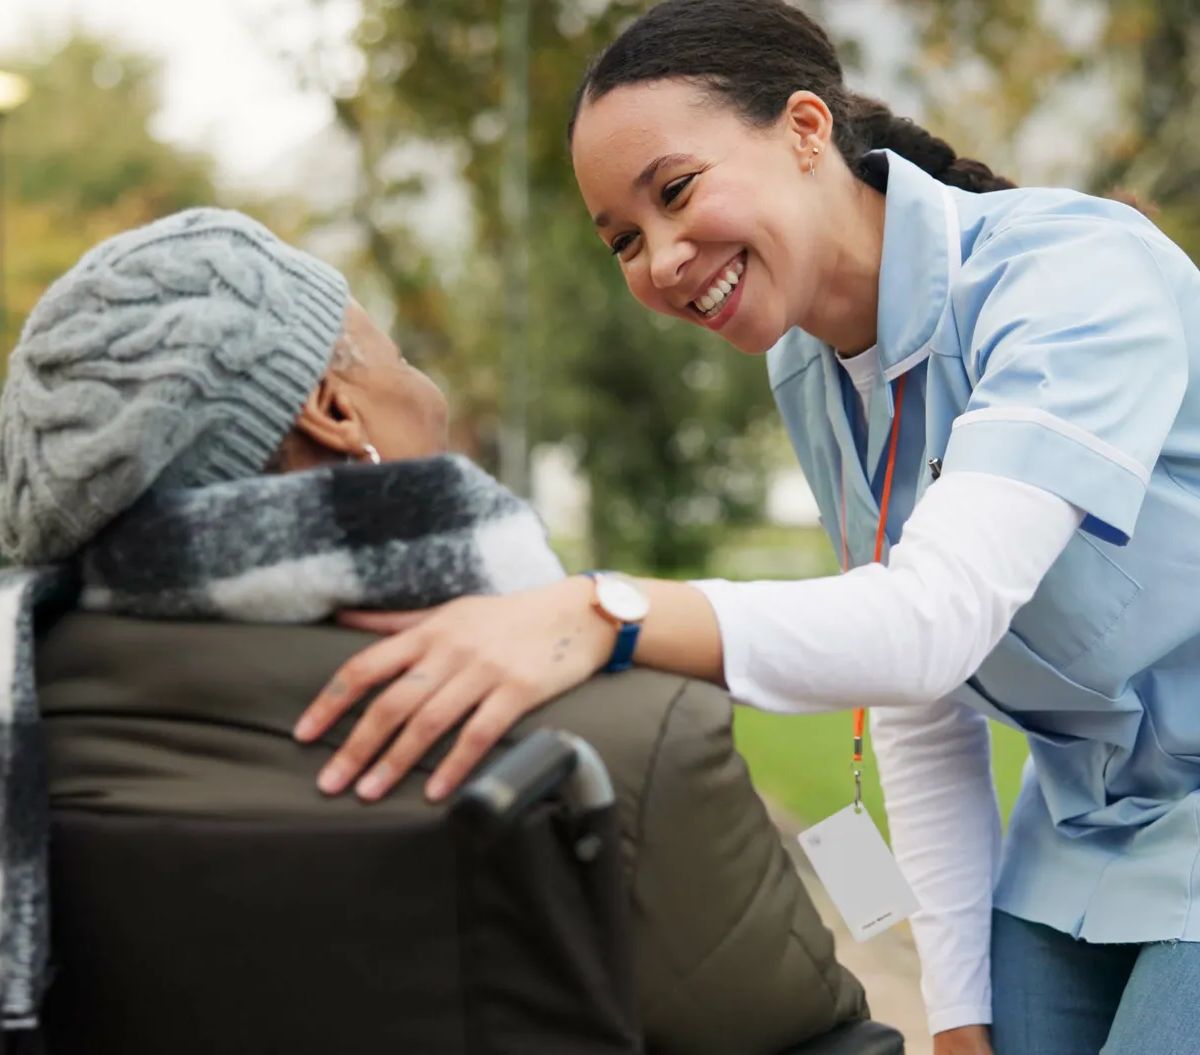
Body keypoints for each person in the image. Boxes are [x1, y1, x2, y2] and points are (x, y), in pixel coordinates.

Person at [290, 2, 1200, 1054]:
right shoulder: (807, 364)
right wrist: (955, 1008)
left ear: (807, 129)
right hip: (1080, 833)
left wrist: (605, 611)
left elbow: (930, 622)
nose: (662, 258)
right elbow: (919, 696)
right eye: (624, 239)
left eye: (675, 190)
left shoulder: (1071, 276)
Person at [0, 207, 876, 1054]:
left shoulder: (31, 725)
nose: (433, 390)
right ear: (333, 410)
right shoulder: (619, 747)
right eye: (400, 355)